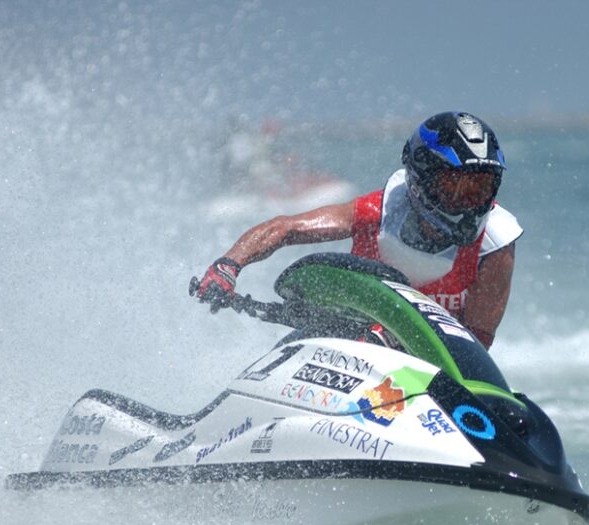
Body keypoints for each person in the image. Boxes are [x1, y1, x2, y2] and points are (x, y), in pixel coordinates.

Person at [194, 111, 522, 349]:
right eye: (454, 187)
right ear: (420, 180)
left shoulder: (495, 242)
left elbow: (476, 343)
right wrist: (229, 266)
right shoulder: (375, 213)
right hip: (345, 352)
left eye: (479, 189)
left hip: (426, 370)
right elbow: (286, 228)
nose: (467, 203)